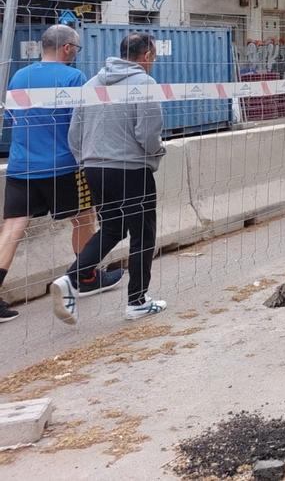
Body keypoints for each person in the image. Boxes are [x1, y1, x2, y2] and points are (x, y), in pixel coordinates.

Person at [0, 26, 122, 323]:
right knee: (83, 217)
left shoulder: (18, 76)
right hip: (63, 165)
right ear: (67, 48)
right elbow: (79, 123)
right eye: (76, 50)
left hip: (21, 165)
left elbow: (11, 118)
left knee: (12, 227)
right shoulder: (73, 78)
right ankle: (87, 277)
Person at [54, 32, 166, 324]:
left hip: (94, 169)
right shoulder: (145, 83)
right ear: (146, 56)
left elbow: (74, 134)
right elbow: (148, 133)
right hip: (130, 169)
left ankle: (71, 278)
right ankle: (137, 300)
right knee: (143, 233)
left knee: (112, 229)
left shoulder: (92, 84)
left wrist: (88, 160)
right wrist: (156, 152)